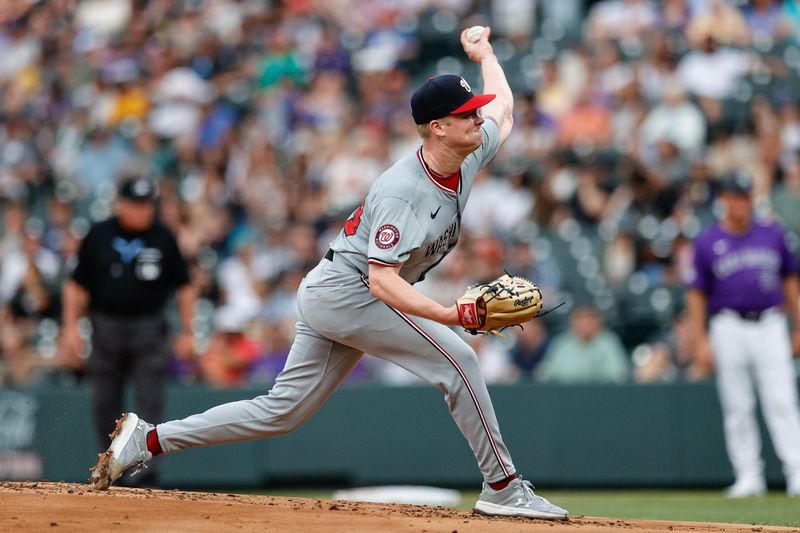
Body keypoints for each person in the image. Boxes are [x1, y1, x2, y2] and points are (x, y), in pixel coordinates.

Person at [87, 27, 569, 520]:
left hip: (335, 290)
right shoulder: (404, 192)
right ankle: (504, 489)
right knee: (459, 361)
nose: (477, 120)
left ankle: (146, 440)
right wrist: (448, 313)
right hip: (351, 291)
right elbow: (382, 281)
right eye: (466, 115)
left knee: (281, 412)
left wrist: (485, 52)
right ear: (437, 128)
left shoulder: (466, 149)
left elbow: (504, 108)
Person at [61, 176, 196, 486]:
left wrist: (188, 330)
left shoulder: (163, 236)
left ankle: (146, 475)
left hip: (149, 327)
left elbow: (185, 285)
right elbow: (75, 284)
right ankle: (110, 471)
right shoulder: (99, 234)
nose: (142, 211)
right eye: (136, 204)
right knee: (105, 402)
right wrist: (70, 328)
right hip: (105, 325)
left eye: (147, 205)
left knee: (150, 402)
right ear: (120, 204)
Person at [685, 172, 800, 498]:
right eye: (735, 197)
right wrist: (700, 339)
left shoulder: (772, 233)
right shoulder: (708, 241)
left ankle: (797, 472)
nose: (741, 203)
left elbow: (791, 278)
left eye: (745, 197)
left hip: (771, 323)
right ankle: (749, 475)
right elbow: (696, 293)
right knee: (738, 405)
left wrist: (798, 324)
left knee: (783, 401)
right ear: (723, 200)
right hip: (728, 325)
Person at [535, 305, 629, 384]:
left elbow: (619, 374)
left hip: (602, 396)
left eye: (590, 317)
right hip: (566, 396)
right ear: (572, 321)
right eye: (580, 317)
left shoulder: (609, 342)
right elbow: (546, 373)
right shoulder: (562, 343)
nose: (585, 322)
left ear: (599, 320)